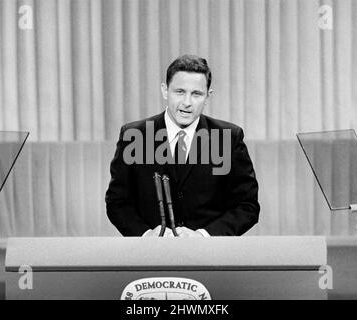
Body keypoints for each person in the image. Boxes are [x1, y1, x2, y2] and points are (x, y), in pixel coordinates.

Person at [105, 54, 260, 237]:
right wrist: (146, 235)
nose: (187, 103)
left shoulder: (228, 137)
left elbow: (247, 205)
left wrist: (203, 235)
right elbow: (118, 202)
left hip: (209, 257)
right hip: (151, 255)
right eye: (179, 92)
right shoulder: (135, 136)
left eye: (196, 94)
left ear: (208, 95)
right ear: (165, 90)